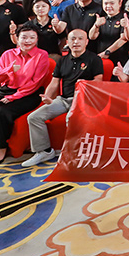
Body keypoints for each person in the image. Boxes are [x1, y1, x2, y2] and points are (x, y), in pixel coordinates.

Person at [21, 29, 104, 167]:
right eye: (73, 39)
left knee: (70, 118)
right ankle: (44, 151)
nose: (76, 42)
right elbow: (54, 83)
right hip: (63, 99)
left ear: (86, 42)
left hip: (83, 100)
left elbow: (98, 81)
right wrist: (47, 97)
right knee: (34, 117)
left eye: (80, 39)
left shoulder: (94, 59)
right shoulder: (62, 60)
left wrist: (85, 85)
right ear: (67, 42)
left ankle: (75, 154)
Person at [0, 25, 50, 166]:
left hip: (30, 94)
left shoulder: (42, 55)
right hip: (7, 90)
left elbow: (35, 83)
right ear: (17, 38)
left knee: (1, 113)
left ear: (37, 39)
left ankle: (1, 149)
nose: (27, 41)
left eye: (32, 37)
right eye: (24, 37)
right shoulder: (8, 54)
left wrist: (14, 97)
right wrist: (9, 70)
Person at [88, 0, 129, 66]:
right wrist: (96, 25)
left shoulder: (125, 18)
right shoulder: (101, 19)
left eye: (112, 3)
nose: (108, 6)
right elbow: (92, 37)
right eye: (106, 3)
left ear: (119, 4)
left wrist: (107, 52)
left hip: (120, 60)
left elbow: (123, 39)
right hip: (102, 59)